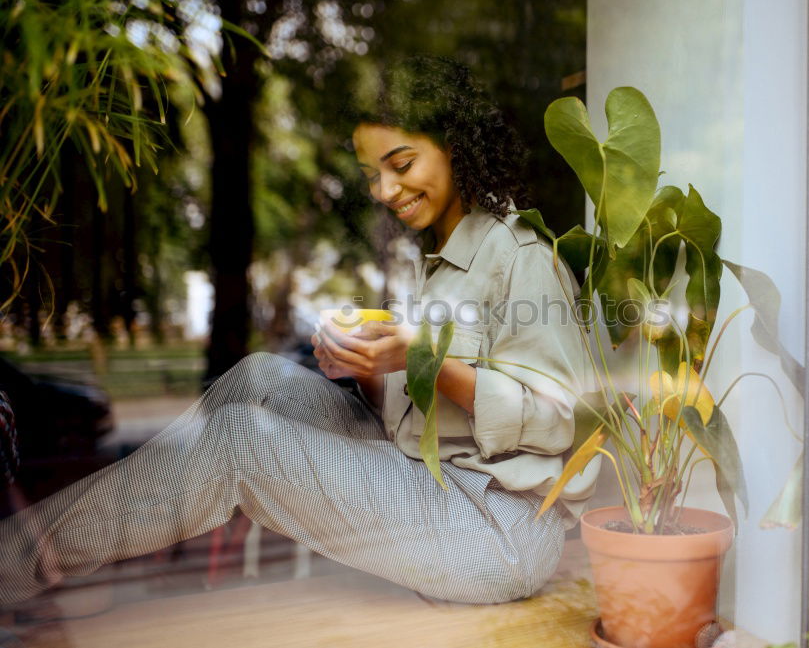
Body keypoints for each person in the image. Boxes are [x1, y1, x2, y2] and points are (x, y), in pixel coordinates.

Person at [0, 55, 599, 607]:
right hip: (426, 476)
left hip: (496, 526)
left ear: (456, 148)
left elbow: (555, 421)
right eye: (372, 173)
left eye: (402, 165)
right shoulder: (434, 263)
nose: (385, 191)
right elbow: (409, 419)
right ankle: (115, 542)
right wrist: (359, 366)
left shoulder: (521, 256)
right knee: (262, 376)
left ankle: (17, 566)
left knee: (240, 440)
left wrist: (425, 359)